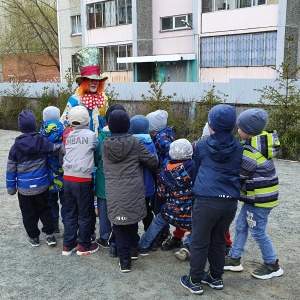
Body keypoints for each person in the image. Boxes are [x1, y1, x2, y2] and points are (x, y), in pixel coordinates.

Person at [180, 104, 243, 295]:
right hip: (229, 202)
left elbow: (197, 169)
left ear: (211, 125)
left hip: (206, 199)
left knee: (199, 241)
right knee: (218, 240)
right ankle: (216, 277)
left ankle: (195, 279)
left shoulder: (202, 146)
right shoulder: (239, 148)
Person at [224, 108, 283, 280]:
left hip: (259, 200)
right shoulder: (259, 143)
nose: (237, 130)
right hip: (257, 198)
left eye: (239, 128)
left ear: (248, 131)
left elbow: (240, 175)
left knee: (258, 231)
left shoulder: (251, 152)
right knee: (241, 226)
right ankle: (234, 259)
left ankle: (272, 264)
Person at [102, 110, 158, 273]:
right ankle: (133, 248)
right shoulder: (134, 143)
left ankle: (124, 260)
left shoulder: (105, 144)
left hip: (113, 190)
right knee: (132, 219)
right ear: (128, 125)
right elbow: (152, 162)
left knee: (119, 225)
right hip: (133, 190)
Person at [6, 110, 60, 247]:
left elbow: (11, 169)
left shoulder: (15, 147)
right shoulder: (42, 141)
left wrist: (11, 188)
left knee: (28, 213)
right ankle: (50, 235)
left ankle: (34, 237)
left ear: (20, 127)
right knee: (45, 209)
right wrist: (61, 144)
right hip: (42, 185)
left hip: (24, 189)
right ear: (35, 125)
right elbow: (54, 148)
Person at [138, 139, 195, 256]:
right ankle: (189, 245)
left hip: (171, 211)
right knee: (200, 227)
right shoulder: (195, 167)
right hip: (192, 213)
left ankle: (143, 245)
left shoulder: (165, 173)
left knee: (157, 222)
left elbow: (161, 194)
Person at [61, 106, 99, 256]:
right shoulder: (91, 136)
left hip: (67, 178)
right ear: (88, 121)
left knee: (70, 212)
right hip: (82, 179)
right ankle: (84, 245)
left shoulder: (68, 136)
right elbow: (95, 148)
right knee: (84, 214)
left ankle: (68, 245)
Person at [146, 110, 185, 251]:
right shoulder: (159, 135)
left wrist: (163, 172)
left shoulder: (163, 140)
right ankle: (163, 232)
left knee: (159, 207)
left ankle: (162, 233)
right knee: (156, 204)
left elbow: (171, 158)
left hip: (162, 179)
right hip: (159, 177)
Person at [94, 104, 127, 251]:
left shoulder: (100, 138)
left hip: (103, 180)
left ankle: (105, 236)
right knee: (121, 209)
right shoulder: (128, 138)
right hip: (122, 180)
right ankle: (120, 236)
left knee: (103, 209)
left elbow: (96, 158)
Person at [60, 47, 108, 134]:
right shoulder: (74, 100)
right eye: (91, 80)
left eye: (97, 80)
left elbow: (108, 122)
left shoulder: (103, 99)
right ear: (84, 82)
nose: (94, 83)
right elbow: (63, 122)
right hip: (80, 143)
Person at [128, 115, 157, 232]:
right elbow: (155, 162)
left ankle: (133, 239)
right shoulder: (150, 143)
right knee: (146, 211)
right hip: (146, 184)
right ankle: (149, 238)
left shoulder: (129, 143)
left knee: (132, 212)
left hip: (132, 186)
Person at [40, 106, 65, 234]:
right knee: (66, 202)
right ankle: (68, 225)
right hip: (64, 173)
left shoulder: (41, 133)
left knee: (51, 202)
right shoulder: (65, 130)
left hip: (47, 174)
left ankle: (54, 224)